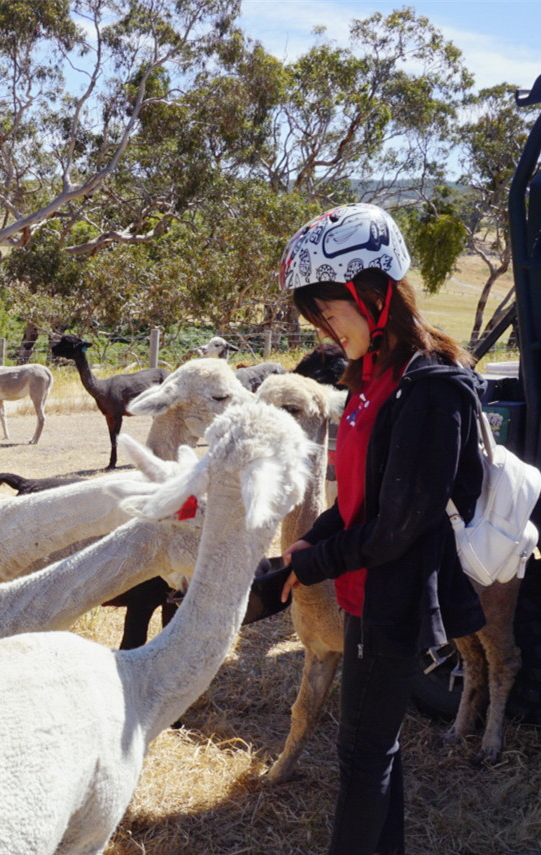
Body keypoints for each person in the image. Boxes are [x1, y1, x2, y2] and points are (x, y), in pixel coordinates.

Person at [277, 202, 487, 855]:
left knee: (361, 757)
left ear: (374, 296)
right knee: (374, 750)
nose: (323, 326)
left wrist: (310, 564)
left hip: (394, 599)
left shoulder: (429, 390)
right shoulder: (369, 380)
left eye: (329, 310)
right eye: (314, 314)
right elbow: (360, 500)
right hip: (361, 592)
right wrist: (313, 538)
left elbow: (397, 527)